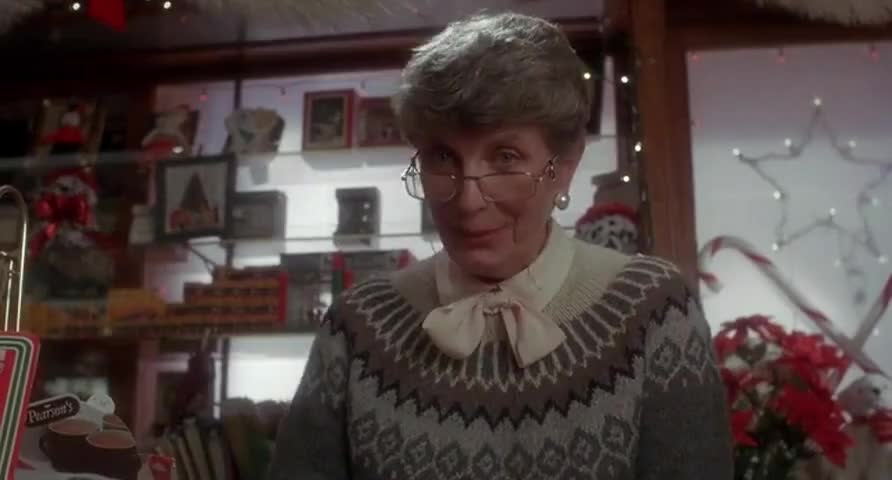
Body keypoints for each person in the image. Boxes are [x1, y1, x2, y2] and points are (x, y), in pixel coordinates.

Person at [270, 12, 733, 480]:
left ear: (565, 167)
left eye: (505, 157)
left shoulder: (653, 312)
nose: (468, 202)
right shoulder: (358, 325)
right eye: (443, 157)